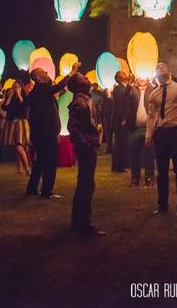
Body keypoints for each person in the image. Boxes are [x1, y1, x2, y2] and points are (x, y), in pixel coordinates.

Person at [145, 62, 177, 215]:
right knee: (162, 171)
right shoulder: (154, 94)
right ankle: (162, 205)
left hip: (176, 132)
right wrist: (149, 135)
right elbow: (151, 115)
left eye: (163, 66)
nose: (160, 67)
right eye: (157, 67)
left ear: (170, 71)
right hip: (161, 134)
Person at [26, 66, 74, 199]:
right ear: (39, 78)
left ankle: (32, 188)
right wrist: (71, 73)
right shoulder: (42, 89)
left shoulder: (37, 91)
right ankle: (47, 190)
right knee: (50, 163)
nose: (47, 73)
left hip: (41, 134)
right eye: (44, 72)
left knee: (40, 162)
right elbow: (58, 87)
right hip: (47, 134)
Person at [67, 72, 104, 236]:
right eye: (82, 78)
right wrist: (87, 144)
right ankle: (84, 224)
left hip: (90, 145)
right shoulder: (78, 103)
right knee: (86, 184)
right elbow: (73, 128)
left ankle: (78, 221)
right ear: (78, 85)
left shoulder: (86, 99)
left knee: (86, 184)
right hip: (86, 148)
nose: (87, 78)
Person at [127, 76, 156, 187]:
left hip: (148, 128)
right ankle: (135, 178)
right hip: (135, 128)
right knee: (134, 155)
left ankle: (149, 177)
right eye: (140, 77)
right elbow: (124, 98)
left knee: (149, 154)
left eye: (144, 76)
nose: (142, 79)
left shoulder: (152, 89)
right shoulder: (132, 90)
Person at [3, 75, 32, 175]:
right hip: (12, 123)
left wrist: (19, 94)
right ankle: (19, 169)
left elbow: (24, 106)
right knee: (16, 147)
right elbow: (5, 107)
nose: (15, 88)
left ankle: (27, 169)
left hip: (21, 122)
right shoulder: (10, 97)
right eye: (14, 86)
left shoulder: (23, 96)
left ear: (21, 87)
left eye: (17, 86)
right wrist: (10, 96)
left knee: (19, 146)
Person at [110, 72, 133, 173]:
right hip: (119, 120)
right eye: (123, 74)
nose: (126, 74)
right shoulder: (118, 89)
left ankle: (121, 165)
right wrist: (123, 118)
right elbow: (120, 103)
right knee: (120, 143)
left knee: (124, 142)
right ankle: (118, 166)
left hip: (123, 119)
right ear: (119, 79)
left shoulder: (124, 87)